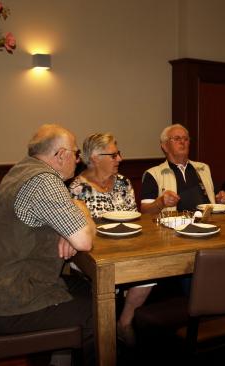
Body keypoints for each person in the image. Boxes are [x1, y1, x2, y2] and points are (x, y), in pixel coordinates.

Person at [0, 124, 96, 365]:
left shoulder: (22, 170)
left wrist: (68, 227)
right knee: (99, 312)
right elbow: (85, 240)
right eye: (75, 153)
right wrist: (82, 208)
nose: (78, 160)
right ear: (60, 155)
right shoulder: (44, 181)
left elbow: (65, 228)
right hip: (4, 302)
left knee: (86, 288)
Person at [69, 133, 152, 347]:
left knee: (149, 272)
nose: (120, 159)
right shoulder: (78, 188)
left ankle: (124, 322)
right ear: (95, 158)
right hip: (93, 254)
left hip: (126, 248)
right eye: (114, 155)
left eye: (119, 154)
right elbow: (78, 233)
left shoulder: (123, 183)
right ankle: (105, 339)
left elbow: (135, 218)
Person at [141, 124, 225, 213]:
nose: (182, 142)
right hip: (173, 225)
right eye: (177, 138)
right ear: (165, 146)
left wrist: (220, 200)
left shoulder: (203, 169)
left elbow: (214, 199)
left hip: (206, 223)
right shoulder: (153, 174)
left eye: (186, 139)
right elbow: (145, 210)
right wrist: (161, 202)